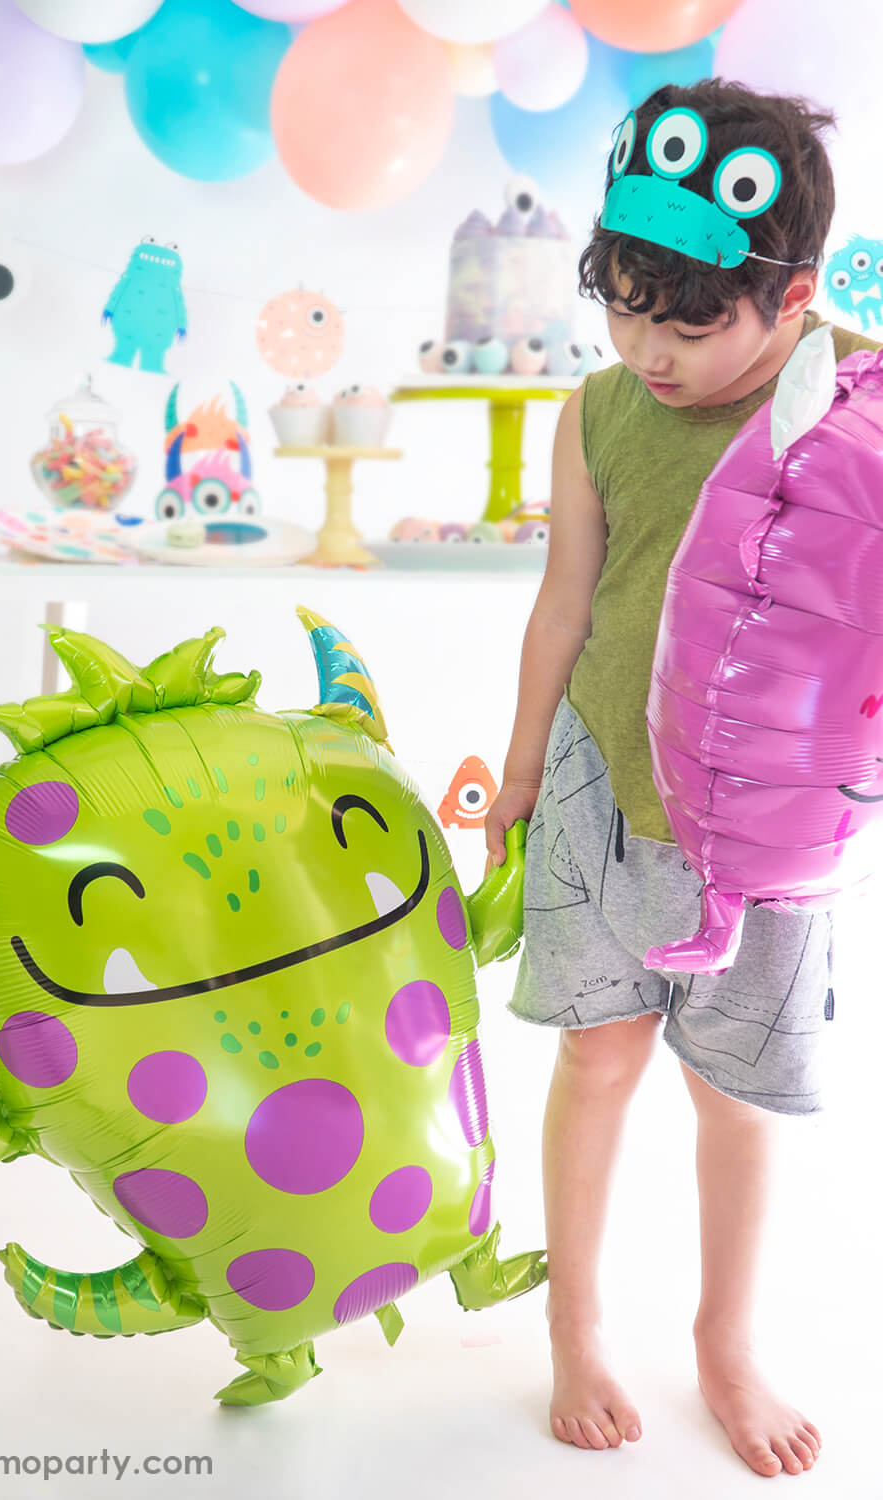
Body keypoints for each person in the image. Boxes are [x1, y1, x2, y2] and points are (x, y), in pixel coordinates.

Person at [485, 78, 881, 1479]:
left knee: (734, 1093)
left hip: (762, 817)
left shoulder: (851, 410)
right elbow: (566, 601)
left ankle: (726, 1340)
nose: (647, 346)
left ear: (793, 295)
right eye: (626, 303)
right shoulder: (597, 410)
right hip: (606, 771)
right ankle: (578, 1330)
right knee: (597, 1057)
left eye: (689, 317)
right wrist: (524, 769)